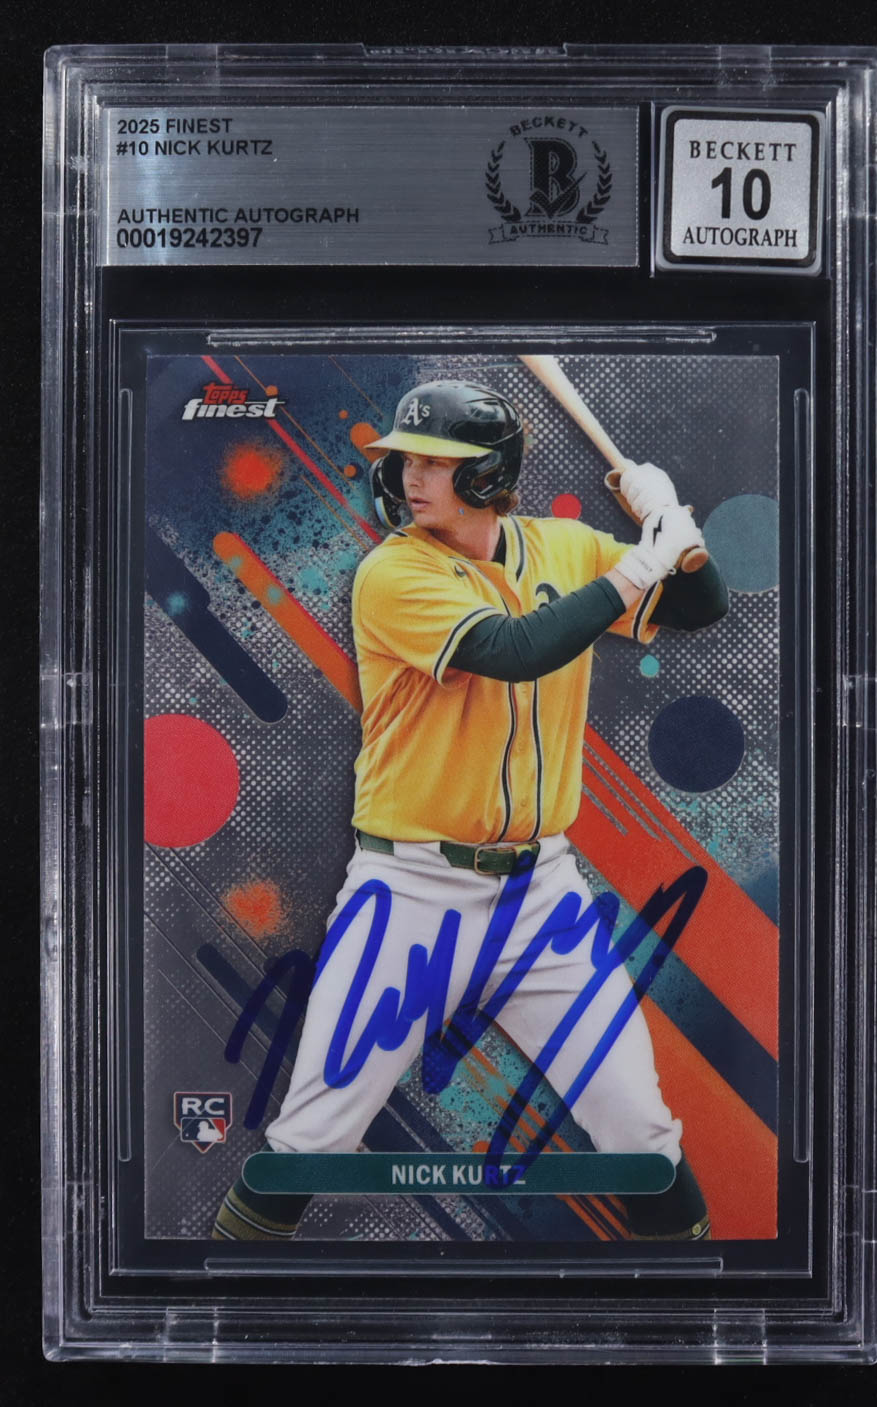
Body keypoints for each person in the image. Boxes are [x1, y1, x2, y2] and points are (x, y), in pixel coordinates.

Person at [213, 379, 728, 1243]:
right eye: (406, 460)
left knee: (641, 1134)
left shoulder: (563, 546)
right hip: (411, 894)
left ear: (489, 475)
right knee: (310, 1140)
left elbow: (701, 609)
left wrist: (675, 534)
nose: (411, 477)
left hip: (542, 895)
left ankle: (700, 1311)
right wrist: (642, 561)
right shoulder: (392, 572)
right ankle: (211, 1306)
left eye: (437, 462)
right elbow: (512, 647)